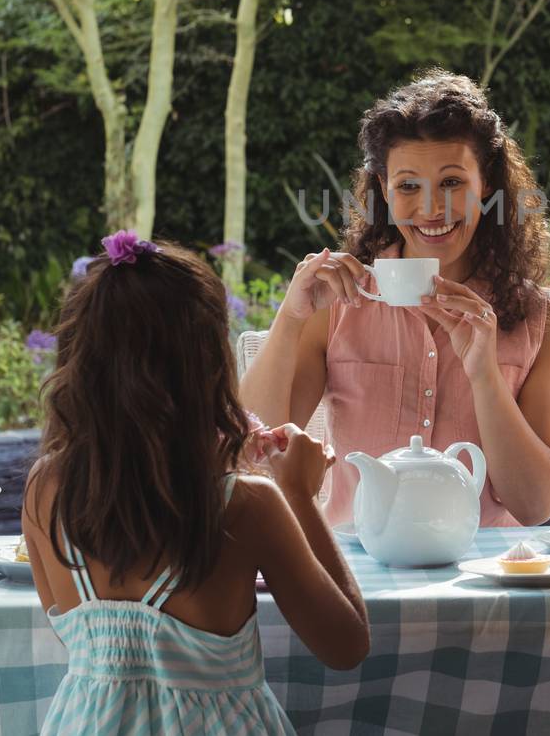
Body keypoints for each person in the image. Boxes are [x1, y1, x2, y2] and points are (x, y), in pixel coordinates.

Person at [22, 231, 369, 735]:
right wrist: (298, 494)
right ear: (206, 364)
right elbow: (346, 646)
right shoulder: (246, 504)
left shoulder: (43, 490)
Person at [242, 70, 550, 527]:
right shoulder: (339, 303)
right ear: (383, 189)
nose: (431, 208)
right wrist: (290, 318)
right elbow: (251, 455)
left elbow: (535, 506)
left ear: (488, 185)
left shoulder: (544, 317)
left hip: (483, 579)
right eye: (408, 186)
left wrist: (485, 376)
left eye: (453, 183)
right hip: (358, 573)